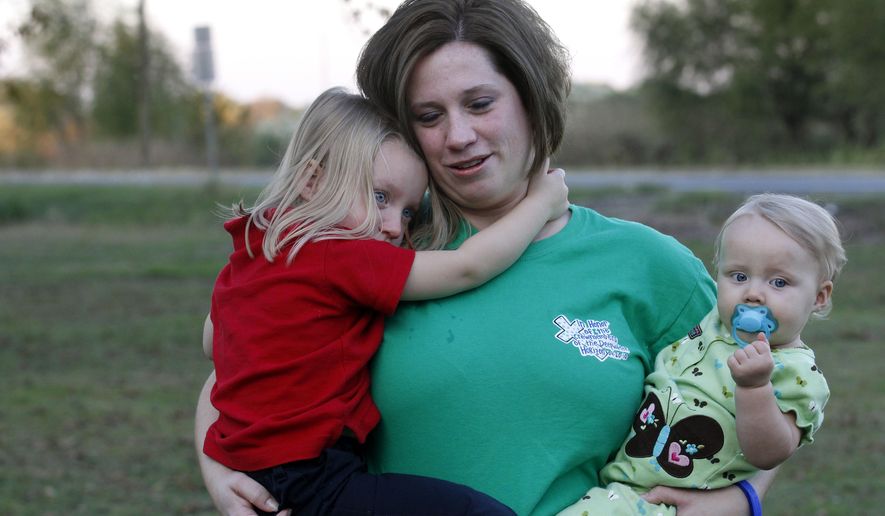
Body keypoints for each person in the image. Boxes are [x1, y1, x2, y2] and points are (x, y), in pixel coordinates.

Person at [195, 1, 779, 514]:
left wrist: (740, 500)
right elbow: (233, 368)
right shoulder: (375, 253)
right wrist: (220, 472)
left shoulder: (648, 265)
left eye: (480, 103)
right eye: (428, 116)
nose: (458, 136)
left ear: (533, 99)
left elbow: (774, 396)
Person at [202, 86, 568, 515]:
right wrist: (542, 203)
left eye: (409, 211)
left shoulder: (257, 249)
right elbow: (468, 265)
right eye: (380, 197)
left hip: (263, 472)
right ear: (312, 181)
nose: (395, 226)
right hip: (313, 476)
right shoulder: (338, 255)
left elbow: (213, 342)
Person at [558, 193, 846, 516]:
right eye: (738, 276)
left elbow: (770, 453)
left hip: (668, 502)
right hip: (622, 483)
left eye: (778, 282)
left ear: (820, 297)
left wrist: (755, 388)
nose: (752, 293)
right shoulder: (712, 322)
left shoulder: (798, 374)